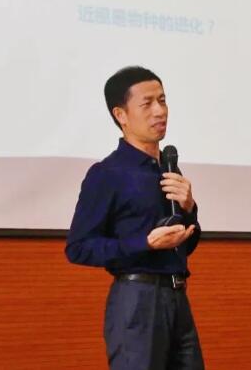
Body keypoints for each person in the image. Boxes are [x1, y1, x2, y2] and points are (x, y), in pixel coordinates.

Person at [65, 66, 204, 370]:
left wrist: (189, 208)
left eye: (163, 100)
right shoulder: (107, 174)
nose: (160, 111)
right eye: (147, 103)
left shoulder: (169, 169)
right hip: (137, 300)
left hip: (178, 297)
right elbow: (78, 248)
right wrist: (144, 243)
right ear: (121, 115)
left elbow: (187, 245)